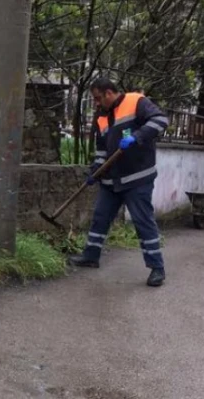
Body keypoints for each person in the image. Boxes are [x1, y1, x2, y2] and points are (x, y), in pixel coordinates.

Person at [68, 77, 168, 287]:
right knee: (100, 217)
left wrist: (137, 136)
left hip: (137, 178)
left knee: (143, 221)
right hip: (111, 179)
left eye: (97, 98)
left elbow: (160, 121)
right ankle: (91, 256)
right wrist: (96, 170)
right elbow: (102, 149)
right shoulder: (102, 117)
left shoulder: (136, 101)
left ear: (108, 93)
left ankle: (157, 268)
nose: (95, 103)